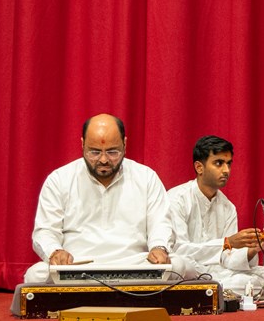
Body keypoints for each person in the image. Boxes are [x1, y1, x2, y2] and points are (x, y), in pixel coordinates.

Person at [26, 114, 193, 283]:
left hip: (135, 264)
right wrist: (55, 252)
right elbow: (45, 230)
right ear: (82, 144)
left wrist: (159, 248)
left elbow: (160, 223)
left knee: (178, 265)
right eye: (95, 152)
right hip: (77, 265)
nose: (104, 160)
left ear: (125, 144)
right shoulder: (60, 179)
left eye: (112, 152)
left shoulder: (146, 177)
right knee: (35, 275)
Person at [167, 136, 264, 295]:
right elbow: (179, 250)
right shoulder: (177, 199)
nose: (226, 170)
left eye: (229, 163)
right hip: (188, 272)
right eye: (219, 163)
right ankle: (218, 289)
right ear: (199, 167)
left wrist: (250, 251)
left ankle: (216, 289)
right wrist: (227, 243)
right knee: (179, 265)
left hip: (219, 274)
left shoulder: (228, 207)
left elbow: (227, 258)